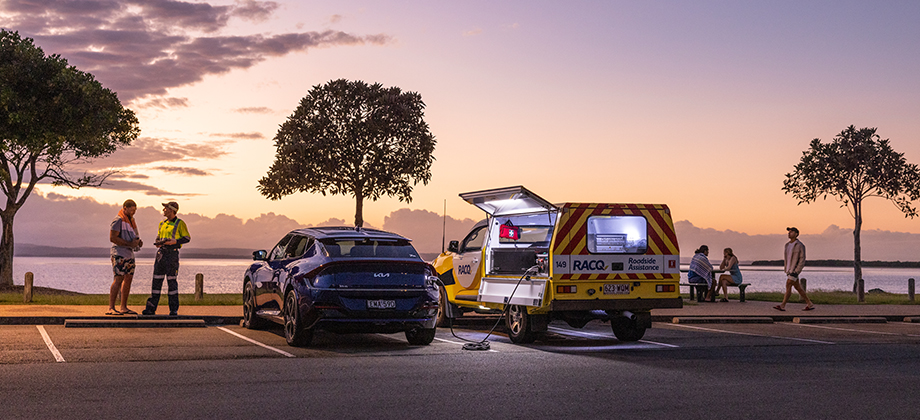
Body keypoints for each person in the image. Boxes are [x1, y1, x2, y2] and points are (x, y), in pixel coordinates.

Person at [143, 201, 191, 316]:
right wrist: (158, 243)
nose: (163, 210)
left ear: (172, 210)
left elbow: (187, 238)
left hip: (172, 255)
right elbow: (159, 237)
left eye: (166, 208)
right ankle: (151, 309)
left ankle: (173, 310)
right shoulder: (162, 223)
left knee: (172, 282)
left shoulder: (180, 223)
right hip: (161, 254)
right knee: (156, 282)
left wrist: (175, 242)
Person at [108, 199, 143, 315]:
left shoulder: (131, 221)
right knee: (118, 279)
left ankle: (123, 307)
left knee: (128, 279)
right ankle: (111, 308)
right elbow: (113, 238)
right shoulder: (118, 220)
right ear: (125, 208)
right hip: (119, 254)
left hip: (129, 254)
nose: (133, 212)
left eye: (135, 210)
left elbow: (133, 237)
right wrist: (129, 244)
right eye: (131, 210)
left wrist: (137, 243)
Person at [774, 227, 814, 311]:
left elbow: (802, 259)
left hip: (794, 271)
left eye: (791, 232)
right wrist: (786, 269)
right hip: (789, 270)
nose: (789, 233)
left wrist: (797, 271)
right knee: (798, 287)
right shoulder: (787, 245)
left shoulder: (800, 245)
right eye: (789, 232)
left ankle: (782, 305)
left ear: (796, 234)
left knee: (788, 284)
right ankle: (809, 303)